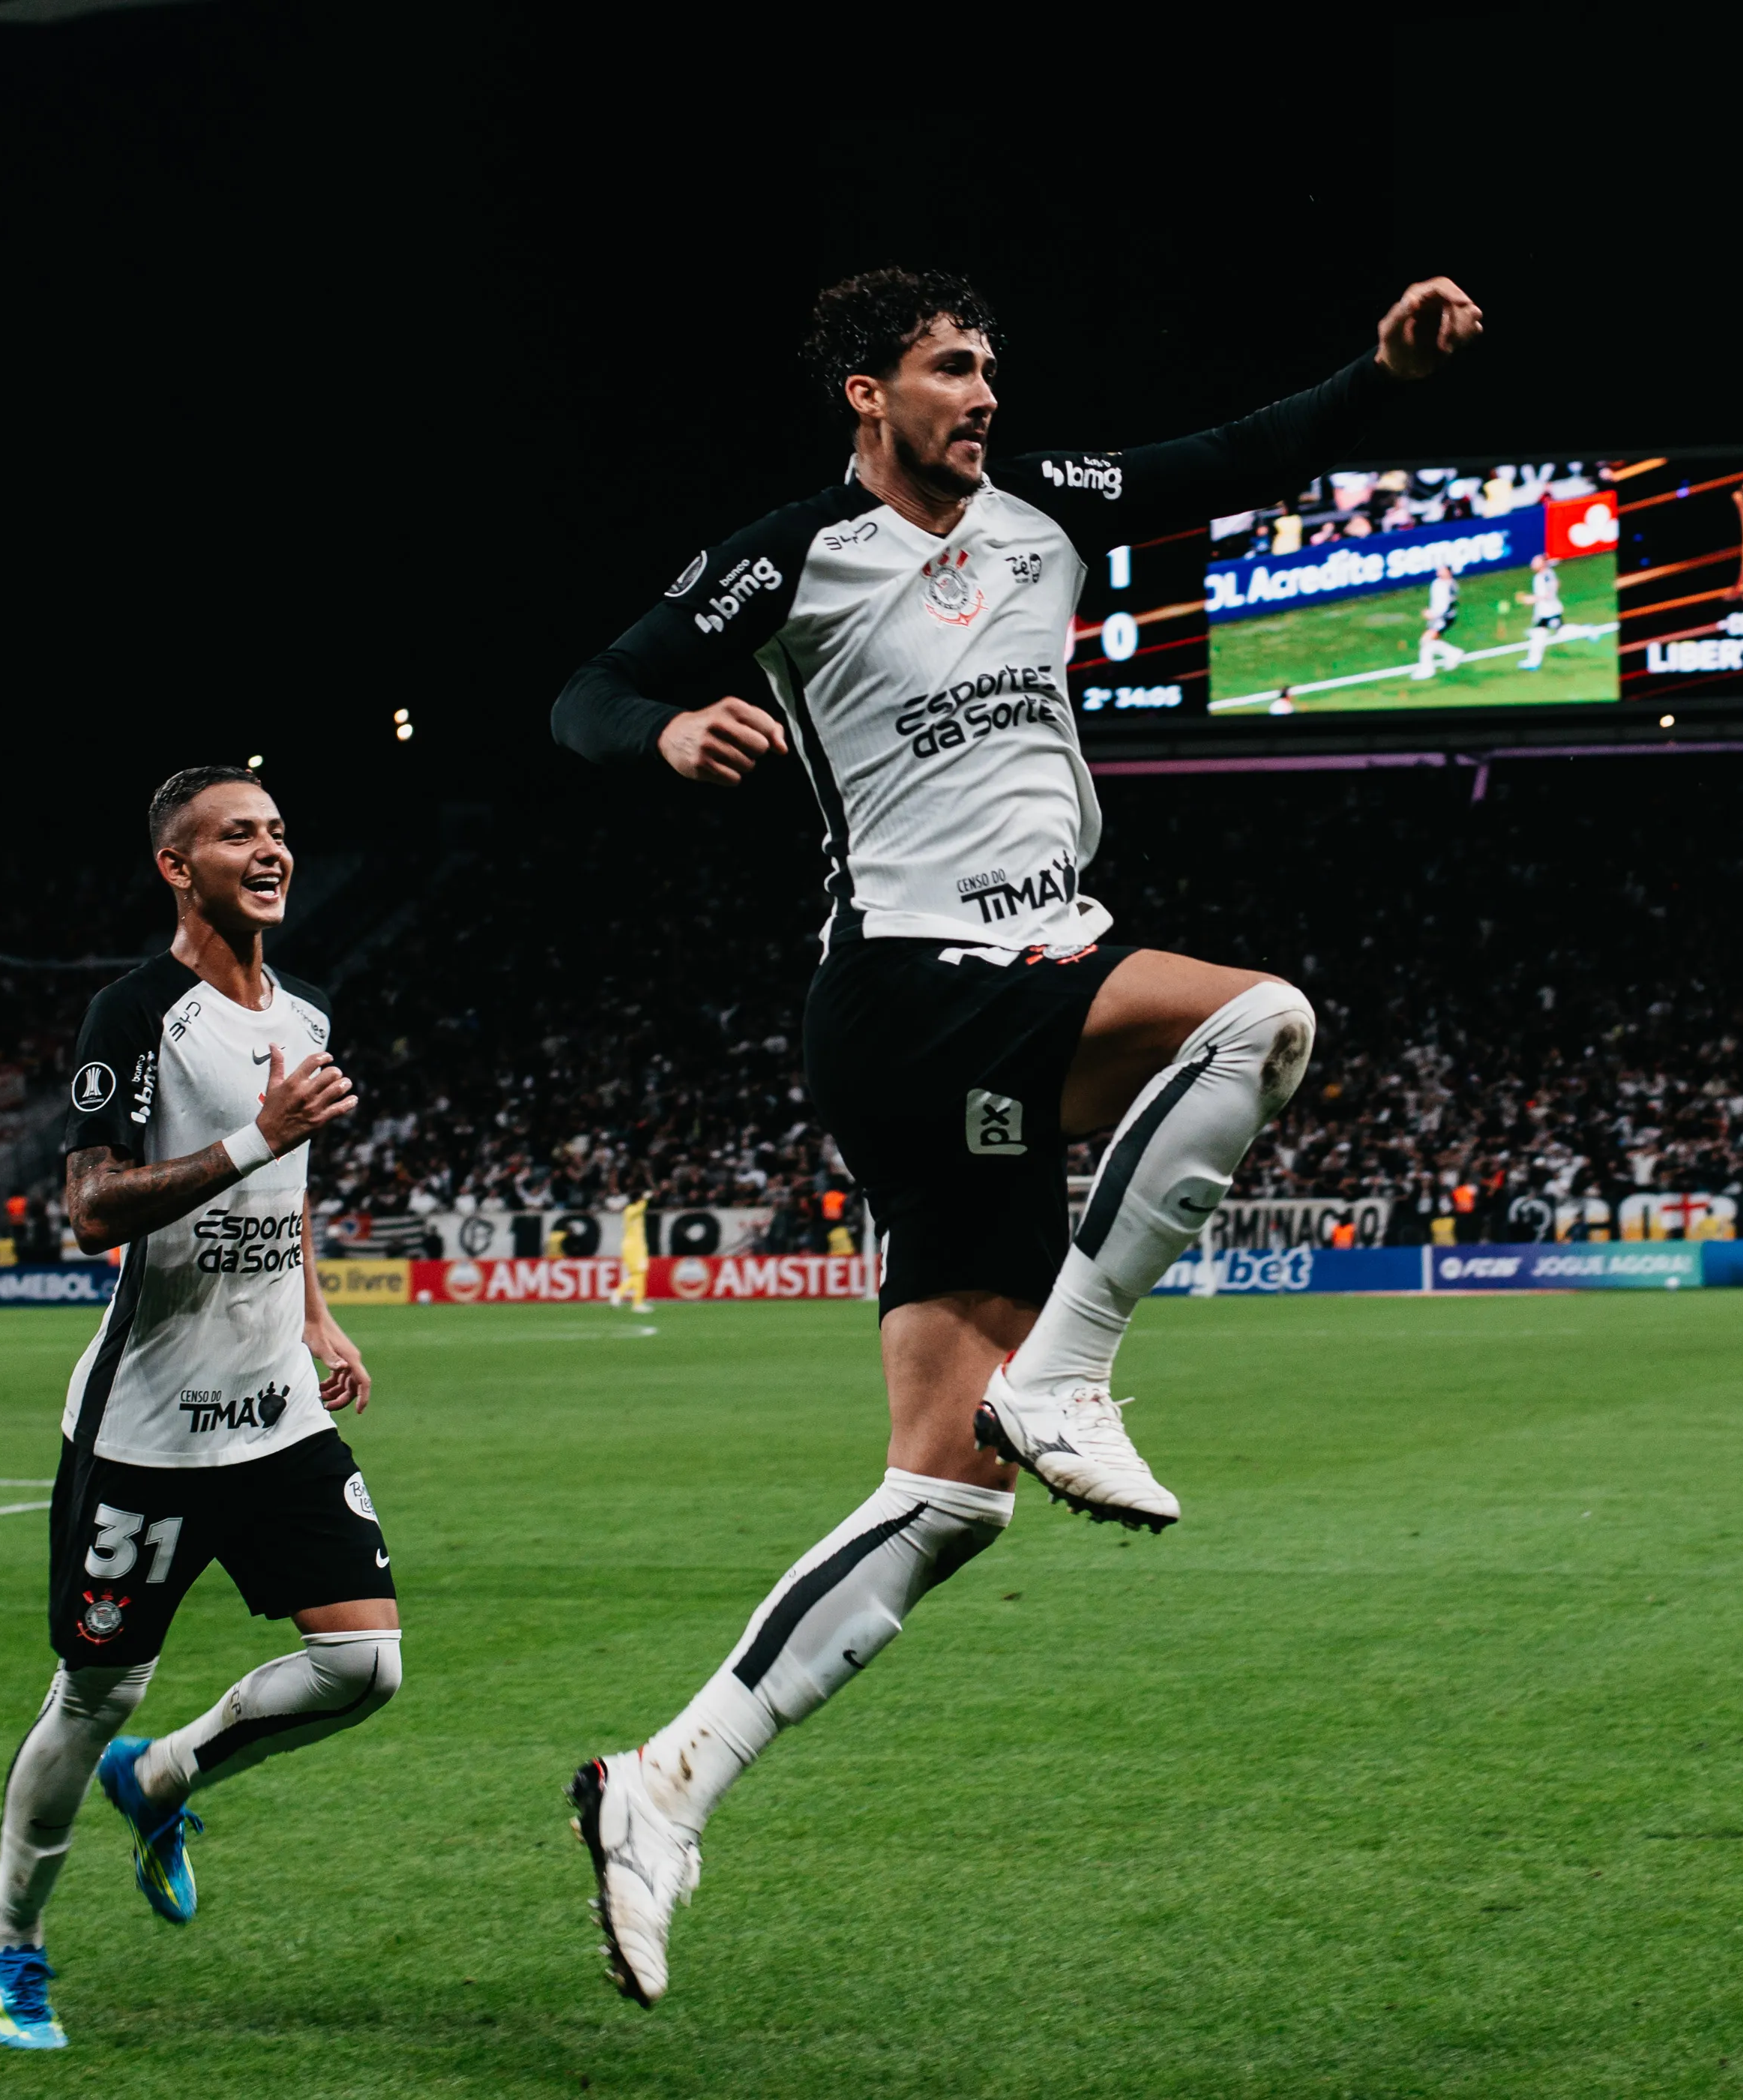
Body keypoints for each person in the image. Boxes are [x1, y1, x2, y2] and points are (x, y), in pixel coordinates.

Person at [550, 265, 1481, 2005]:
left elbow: (1233, 456)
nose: (982, 395)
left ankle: (665, 1787)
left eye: (989, 370)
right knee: (1256, 1017)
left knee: (943, 1495)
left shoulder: (1050, 511)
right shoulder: (792, 553)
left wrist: (1377, 374)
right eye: (949, 370)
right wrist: (666, 726)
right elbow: (589, 690)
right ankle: (1072, 1371)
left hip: (1001, 987)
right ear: (864, 391)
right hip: (913, 979)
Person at [0, 765, 394, 2052]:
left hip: (276, 1415)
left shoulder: (304, 1014)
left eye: (276, 831)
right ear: (177, 864)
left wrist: (315, 1313)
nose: (270, 849)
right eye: (237, 834)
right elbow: (91, 1205)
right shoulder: (134, 1013)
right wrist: (255, 1138)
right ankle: (10, 1935)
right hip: (147, 1432)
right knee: (93, 1689)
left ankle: (162, 1776)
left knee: (364, 1664)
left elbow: (288, 1188)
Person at [1413, 557, 1466, 679]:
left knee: (1426, 641)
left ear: (1448, 571)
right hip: (1437, 618)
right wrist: (1431, 612)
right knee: (1431, 641)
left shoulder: (1450, 586)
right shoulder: (1437, 583)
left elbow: (1446, 606)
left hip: (1444, 618)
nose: (1439, 571)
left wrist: (1433, 614)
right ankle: (1454, 654)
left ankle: (1428, 669)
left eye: (1442, 569)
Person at [1521, 552, 1565, 671]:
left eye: (1536, 562)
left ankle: (1588, 631)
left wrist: (1532, 599)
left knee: (1561, 632)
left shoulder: (1545, 576)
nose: (1532, 564)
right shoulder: (1543, 575)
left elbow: (1548, 594)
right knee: (1539, 635)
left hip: (1550, 612)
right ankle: (1533, 662)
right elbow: (1555, 585)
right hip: (1545, 612)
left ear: (1542, 564)